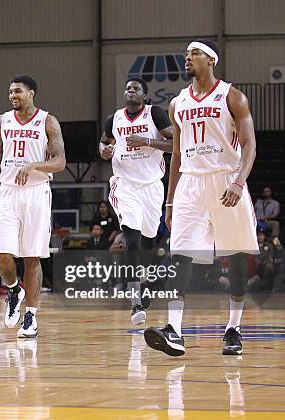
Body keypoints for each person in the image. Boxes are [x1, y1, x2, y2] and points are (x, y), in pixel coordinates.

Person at [144, 39, 258, 357]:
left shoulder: (232, 96)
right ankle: (174, 330)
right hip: (190, 185)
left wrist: (238, 182)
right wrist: (169, 200)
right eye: (186, 54)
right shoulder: (178, 102)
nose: (187, 58)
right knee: (181, 254)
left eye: (194, 53)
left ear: (210, 60)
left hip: (225, 180)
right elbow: (177, 155)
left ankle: (233, 328)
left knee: (235, 257)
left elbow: (249, 144)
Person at [0, 74, 66, 339]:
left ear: (31, 94)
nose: (13, 96)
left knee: (31, 257)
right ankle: (14, 289)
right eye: (10, 92)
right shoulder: (2, 121)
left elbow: (60, 161)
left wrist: (34, 165)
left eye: (17, 91)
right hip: (7, 191)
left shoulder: (47, 121)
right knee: (1, 252)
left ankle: (31, 317)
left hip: (36, 192)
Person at [99, 77, 173, 325]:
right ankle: (135, 301)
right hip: (124, 184)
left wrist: (147, 141)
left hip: (151, 186)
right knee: (132, 238)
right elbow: (104, 142)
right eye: (128, 88)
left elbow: (176, 144)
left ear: (144, 96)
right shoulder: (115, 119)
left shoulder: (156, 114)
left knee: (150, 241)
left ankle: (148, 282)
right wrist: (104, 150)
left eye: (136, 89)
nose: (130, 91)